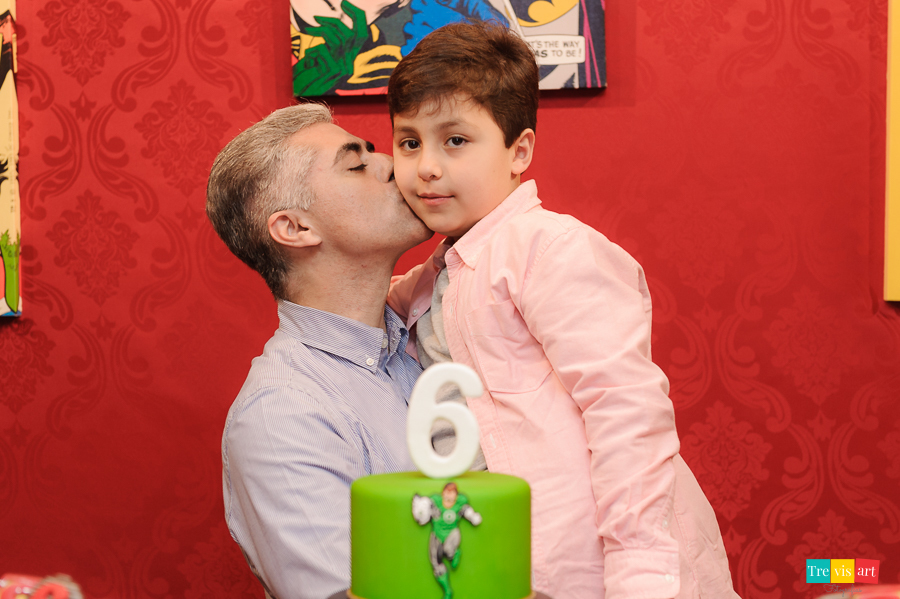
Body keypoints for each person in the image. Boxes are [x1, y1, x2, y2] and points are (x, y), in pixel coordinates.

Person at [386, 22, 741, 599]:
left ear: (518, 151)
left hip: (602, 565)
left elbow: (626, 411)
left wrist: (640, 576)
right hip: (515, 565)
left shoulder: (549, 250)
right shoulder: (435, 276)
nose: (426, 166)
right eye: (409, 142)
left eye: (455, 141)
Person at [206, 103, 432, 599]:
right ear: (295, 228)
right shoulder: (283, 412)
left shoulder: (442, 325)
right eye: (356, 164)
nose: (394, 162)